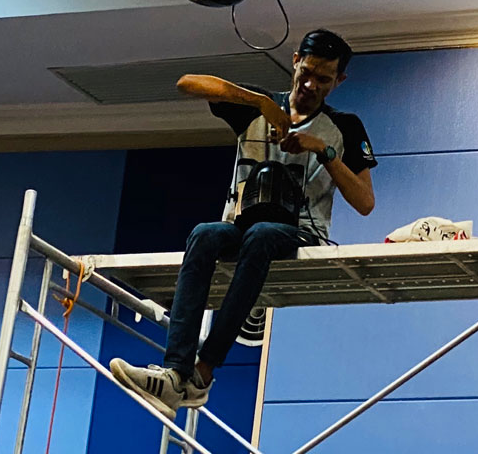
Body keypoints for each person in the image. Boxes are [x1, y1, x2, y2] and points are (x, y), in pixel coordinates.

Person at [110, 28, 376, 415]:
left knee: (263, 235)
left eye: (323, 79)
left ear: (339, 81)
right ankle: (176, 372)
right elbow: (187, 83)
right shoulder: (256, 107)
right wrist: (259, 101)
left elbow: (365, 202)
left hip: (301, 232)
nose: (310, 84)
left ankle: (203, 372)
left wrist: (324, 151)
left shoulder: (345, 126)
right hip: (241, 224)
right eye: (307, 71)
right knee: (204, 234)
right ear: (295, 60)